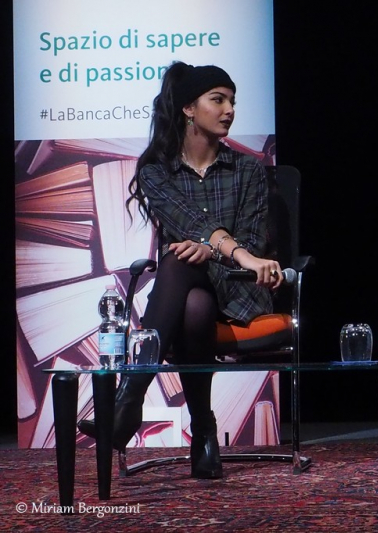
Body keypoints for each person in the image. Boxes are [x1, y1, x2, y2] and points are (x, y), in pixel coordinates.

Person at [78, 61, 283, 479]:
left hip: (240, 289)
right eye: (218, 100)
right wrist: (211, 247)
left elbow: (252, 241)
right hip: (190, 289)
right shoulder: (156, 171)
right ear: (189, 108)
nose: (229, 110)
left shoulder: (247, 169)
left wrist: (213, 250)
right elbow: (186, 219)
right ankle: (203, 430)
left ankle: (128, 402)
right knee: (191, 299)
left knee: (178, 263)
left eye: (232, 102)